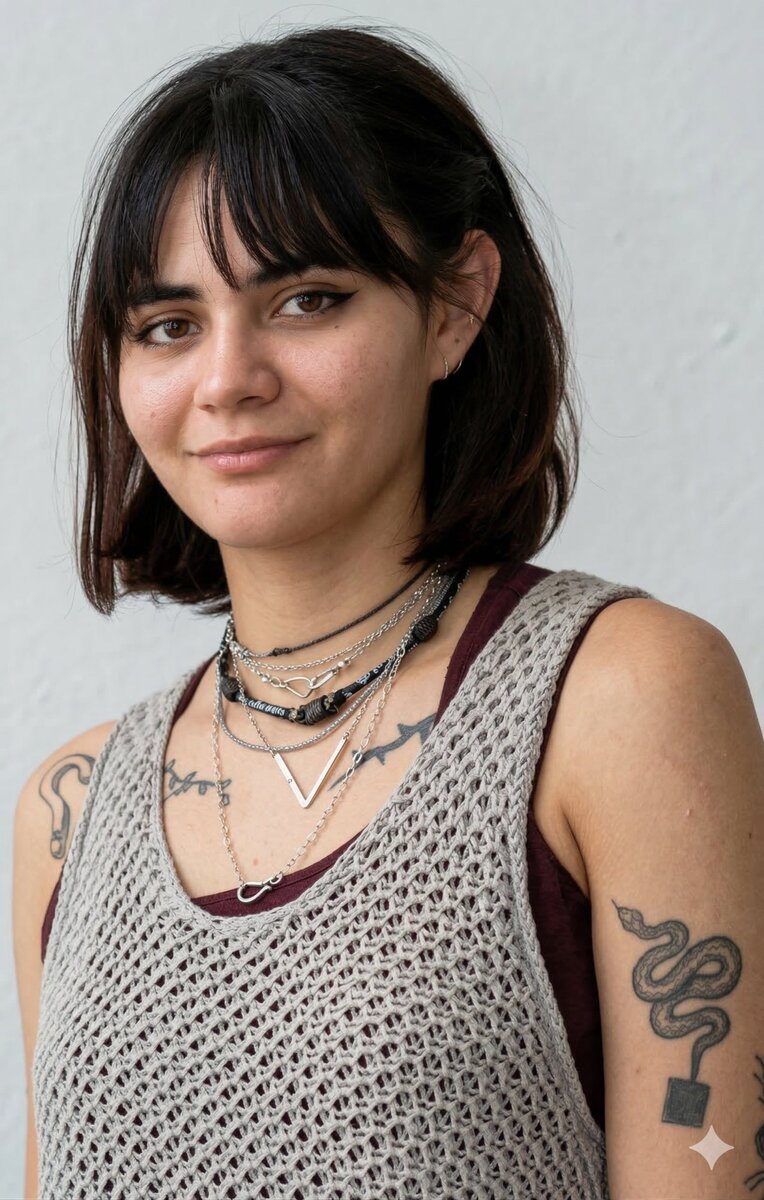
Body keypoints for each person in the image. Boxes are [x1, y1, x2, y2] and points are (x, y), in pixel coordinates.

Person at [12, 23, 762, 1200]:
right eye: (167, 326)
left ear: (457, 303)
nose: (226, 379)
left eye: (306, 300)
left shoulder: (619, 696)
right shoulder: (67, 812)